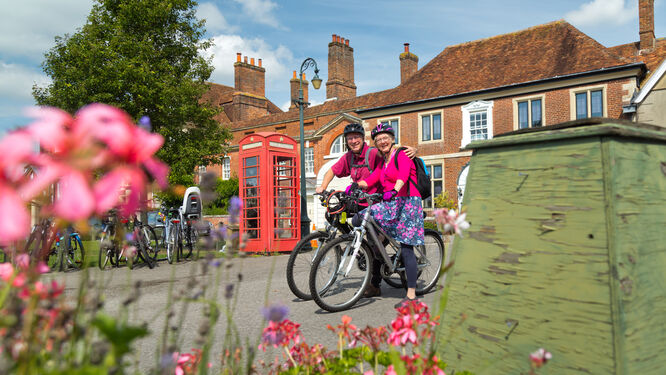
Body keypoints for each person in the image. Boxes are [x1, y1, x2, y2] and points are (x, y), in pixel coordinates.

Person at [354, 122, 425, 308]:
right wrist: (357, 185)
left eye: (385, 138)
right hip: (391, 203)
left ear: (392, 139)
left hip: (408, 201)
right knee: (359, 218)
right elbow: (373, 178)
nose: (382, 142)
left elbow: (404, 174)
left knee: (407, 247)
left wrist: (395, 190)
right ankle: (383, 255)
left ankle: (411, 296)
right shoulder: (383, 161)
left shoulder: (402, 154)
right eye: (378, 140)